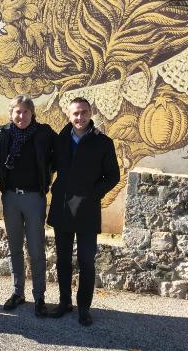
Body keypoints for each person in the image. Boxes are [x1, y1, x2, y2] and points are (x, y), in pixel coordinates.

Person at [47, 97, 119, 326]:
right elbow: (49, 167)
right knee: (63, 260)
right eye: (76, 113)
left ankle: (84, 308)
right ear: (69, 115)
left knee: (86, 261)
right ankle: (64, 302)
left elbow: (113, 176)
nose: (80, 117)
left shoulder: (103, 142)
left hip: (87, 209)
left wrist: (93, 193)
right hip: (63, 207)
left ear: (91, 113)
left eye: (84, 113)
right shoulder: (59, 140)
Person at [0, 95, 56, 317]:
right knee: (14, 248)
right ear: (11, 114)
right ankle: (17, 292)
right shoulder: (2, 134)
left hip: (34, 198)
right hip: (10, 197)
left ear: (32, 114)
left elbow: (63, 149)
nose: (21, 116)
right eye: (17, 112)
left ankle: (39, 296)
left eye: (26, 112)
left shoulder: (44, 133)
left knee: (36, 249)